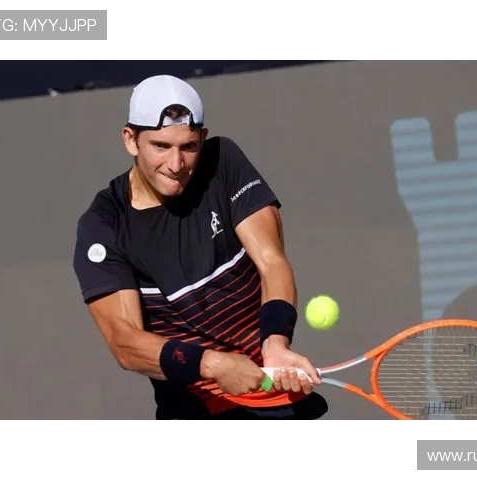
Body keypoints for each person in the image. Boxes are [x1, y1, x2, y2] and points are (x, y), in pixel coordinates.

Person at [72, 74, 328, 423]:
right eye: (160, 146)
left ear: (203, 139)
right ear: (131, 140)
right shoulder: (104, 225)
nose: (175, 165)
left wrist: (276, 343)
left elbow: (271, 261)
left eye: (188, 147)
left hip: (276, 402)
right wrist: (214, 365)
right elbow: (125, 342)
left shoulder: (223, 162)